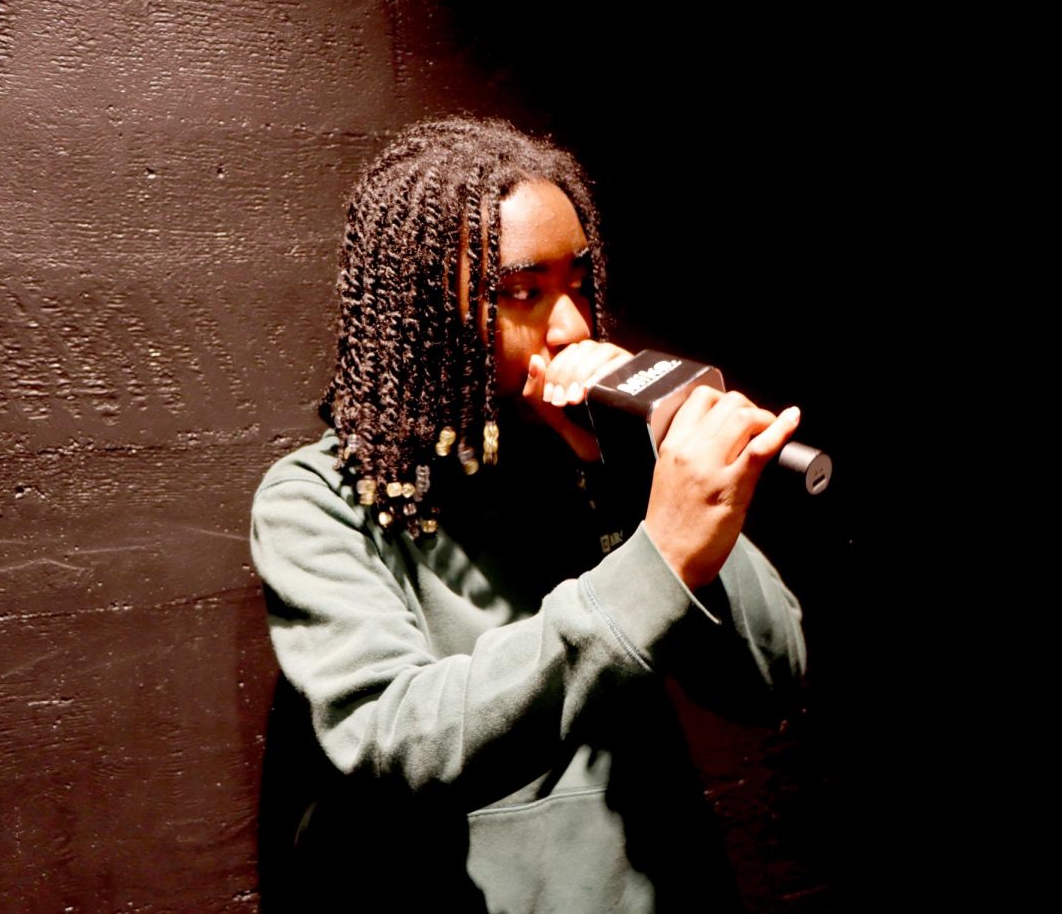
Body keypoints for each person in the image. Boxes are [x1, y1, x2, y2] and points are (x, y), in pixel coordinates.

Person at [250, 117, 807, 913]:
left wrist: (647, 466)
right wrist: (659, 562)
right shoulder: (319, 502)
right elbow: (398, 741)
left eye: (577, 281)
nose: (574, 324)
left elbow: (771, 680)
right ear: (428, 310)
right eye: (521, 293)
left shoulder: (596, 464)